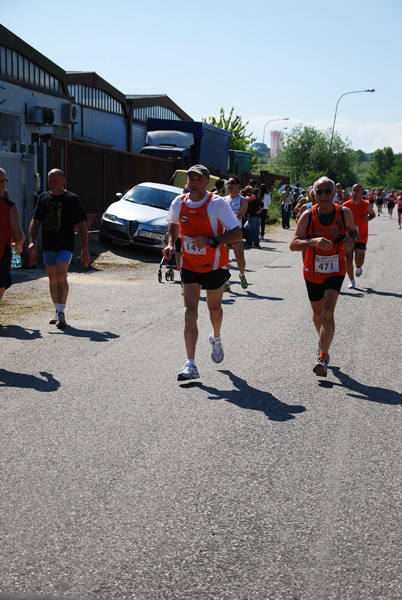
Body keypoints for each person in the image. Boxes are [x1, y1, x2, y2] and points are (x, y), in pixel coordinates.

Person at [163, 165, 242, 381]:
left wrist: (212, 241)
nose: (194, 183)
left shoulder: (216, 203)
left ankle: (216, 338)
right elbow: (173, 226)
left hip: (215, 266)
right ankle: (191, 364)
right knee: (190, 311)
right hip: (189, 265)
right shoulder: (178, 202)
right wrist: (171, 244)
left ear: (207, 182)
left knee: (214, 309)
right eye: (191, 179)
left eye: (199, 180)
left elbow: (237, 233)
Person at [289, 176, 357, 377]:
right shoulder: (308, 216)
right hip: (313, 271)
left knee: (327, 313)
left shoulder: (344, 213)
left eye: (328, 191)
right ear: (314, 195)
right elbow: (293, 244)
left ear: (334, 193)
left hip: (336, 269)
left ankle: (322, 356)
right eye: (320, 192)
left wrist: (352, 240)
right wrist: (313, 241)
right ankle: (322, 344)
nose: (324, 195)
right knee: (318, 315)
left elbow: (353, 232)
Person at [28, 169, 90, 329]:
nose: (52, 184)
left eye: (55, 181)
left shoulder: (72, 199)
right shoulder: (43, 198)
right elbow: (35, 221)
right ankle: (56, 310)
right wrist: (32, 241)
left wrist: (85, 249)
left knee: (61, 274)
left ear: (63, 181)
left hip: (65, 245)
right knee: (52, 278)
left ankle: (61, 312)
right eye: (50, 181)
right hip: (48, 244)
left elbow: (82, 226)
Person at [0, 168, 25, 310]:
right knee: (1, 282)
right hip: (2, 251)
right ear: (3, 184)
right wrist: (19, 245)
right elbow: (20, 236)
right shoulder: (10, 207)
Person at [343, 183, 376, 289]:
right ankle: (351, 280)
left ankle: (359, 266)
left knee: (359, 260)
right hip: (349, 236)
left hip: (361, 236)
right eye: (353, 190)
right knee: (348, 258)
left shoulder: (365, 204)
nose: (354, 192)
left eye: (357, 190)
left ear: (362, 192)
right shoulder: (346, 205)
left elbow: (373, 214)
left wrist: (369, 218)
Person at [223, 176, 249, 291]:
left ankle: (242, 275)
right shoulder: (224, 200)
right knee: (224, 259)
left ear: (238, 185)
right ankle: (227, 281)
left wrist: (226, 216)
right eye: (228, 183)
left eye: (232, 183)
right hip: (224, 232)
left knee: (240, 258)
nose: (229, 185)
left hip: (235, 232)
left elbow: (239, 216)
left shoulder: (243, 200)